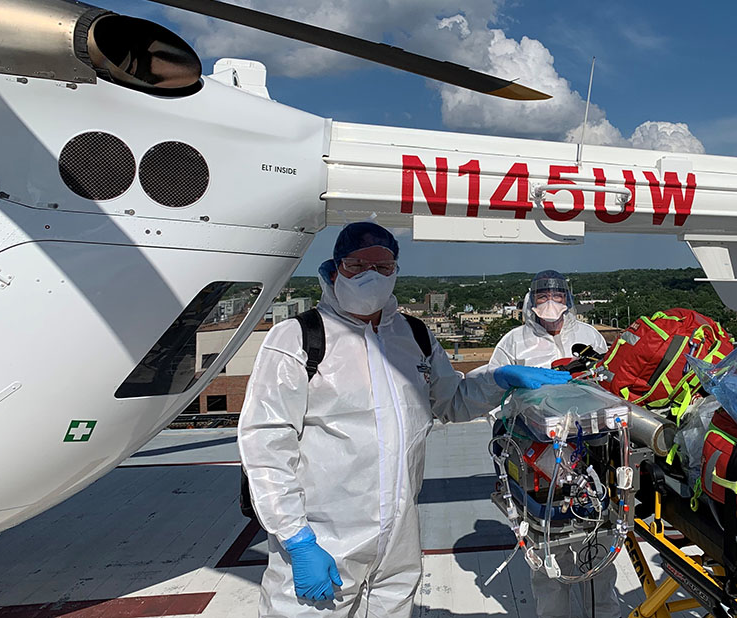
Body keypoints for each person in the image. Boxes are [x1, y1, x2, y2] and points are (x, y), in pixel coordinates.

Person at [239, 222, 570, 618]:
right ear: (333, 269)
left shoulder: (412, 336)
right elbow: (265, 443)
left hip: (399, 539)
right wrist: (296, 538)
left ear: (395, 270)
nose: (370, 276)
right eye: (357, 264)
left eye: (382, 266)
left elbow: (452, 402)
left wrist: (498, 379)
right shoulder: (298, 338)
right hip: (323, 537)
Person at [486, 270, 618, 618]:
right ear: (531, 301)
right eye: (543, 296)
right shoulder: (514, 343)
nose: (551, 303)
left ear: (568, 300)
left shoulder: (588, 336)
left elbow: (607, 385)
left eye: (557, 296)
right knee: (548, 555)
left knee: (599, 547)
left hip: (591, 451)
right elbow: (492, 395)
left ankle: (604, 613)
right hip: (538, 454)